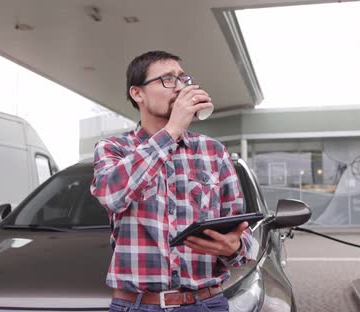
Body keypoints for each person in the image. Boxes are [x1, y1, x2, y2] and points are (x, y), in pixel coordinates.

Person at [90, 50, 258, 312]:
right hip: (137, 306)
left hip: (206, 303)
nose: (179, 87)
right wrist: (171, 131)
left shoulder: (213, 151)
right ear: (138, 93)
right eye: (168, 79)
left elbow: (241, 233)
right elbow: (111, 195)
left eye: (182, 79)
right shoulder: (114, 148)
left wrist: (234, 247)